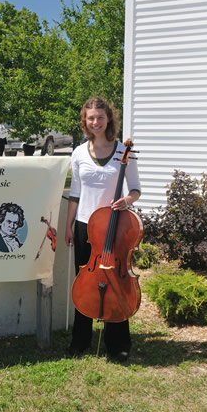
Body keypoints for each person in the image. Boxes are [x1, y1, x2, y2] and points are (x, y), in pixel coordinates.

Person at [64, 97, 141, 362]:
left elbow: (135, 189)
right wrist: (68, 226)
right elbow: (75, 193)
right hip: (86, 226)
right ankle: (80, 340)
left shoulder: (123, 152)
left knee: (115, 282)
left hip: (114, 226)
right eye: (90, 118)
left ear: (109, 119)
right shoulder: (78, 153)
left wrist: (126, 200)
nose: (95, 122)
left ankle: (117, 343)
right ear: (84, 121)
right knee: (84, 283)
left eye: (100, 117)